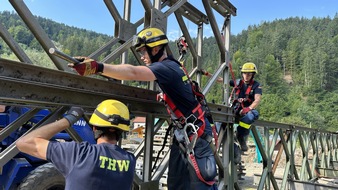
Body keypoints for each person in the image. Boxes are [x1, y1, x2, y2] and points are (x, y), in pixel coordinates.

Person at [67, 27, 217, 190]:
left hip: (195, 134)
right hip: (186, 133)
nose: (141, 57)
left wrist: (98, 67)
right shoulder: (172, 66)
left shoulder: (165, 68)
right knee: (177, 184)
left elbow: (133, 72)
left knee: (200, 184)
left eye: (143, 52)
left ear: (156, 49)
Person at [16, 99, 136, 190]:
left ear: (94, 128)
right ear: (122, 131)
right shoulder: (130, 161)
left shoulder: (78, 153)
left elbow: (23, 143)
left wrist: (68, 119)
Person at [200, 62, 262, 152]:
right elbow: (220, 80)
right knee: (219, 119)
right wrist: (207, 74)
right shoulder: (238, 83)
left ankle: (240, 135)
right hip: (236, 108)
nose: (246, 76)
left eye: (249, 74)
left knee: (251, 117)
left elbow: (257, 100)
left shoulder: (256, 86)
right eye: (245, 73)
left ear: (253, 75)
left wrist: (248, 108)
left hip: (248, 110)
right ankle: (226, 141)